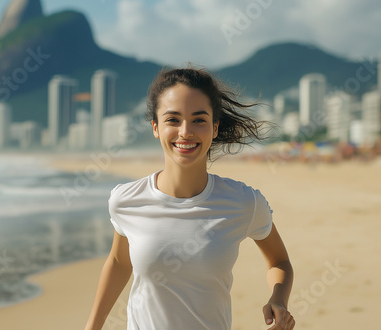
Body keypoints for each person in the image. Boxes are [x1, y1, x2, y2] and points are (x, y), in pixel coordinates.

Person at [84, 67, 295, 330]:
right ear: (156, 128)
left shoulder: (244, 202)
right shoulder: (126, 200)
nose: (185, 131)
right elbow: (118, 262)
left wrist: (279, 299)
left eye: (199, 120)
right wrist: (92, 326)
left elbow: (279, 261)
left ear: (215, 128)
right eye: (173, 119)